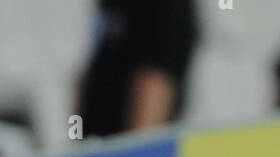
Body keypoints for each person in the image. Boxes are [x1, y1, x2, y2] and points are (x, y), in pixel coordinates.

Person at [76, 0, 200, 137]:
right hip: (92, 141)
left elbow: (156, 79)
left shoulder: (164, 9)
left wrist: (134, 154)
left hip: (121, 145)